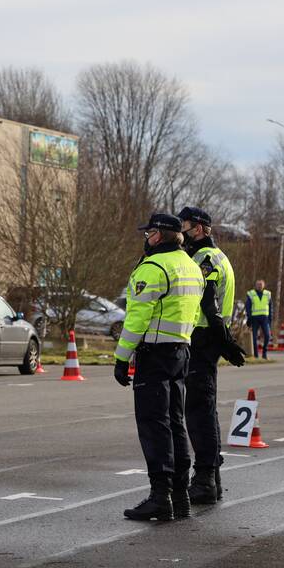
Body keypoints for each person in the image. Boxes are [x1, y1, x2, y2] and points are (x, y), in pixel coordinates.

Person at [113, 213, 204, 522]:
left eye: (149, 232)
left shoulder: (153, 268)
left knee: (154, 424)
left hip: (154, 354)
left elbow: (136, 318)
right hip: (181, 350)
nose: (146, 237)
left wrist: (122, 357)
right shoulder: (191, 266)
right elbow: (193, 314)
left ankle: (159, 496)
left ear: (159, 235)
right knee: (176, 422)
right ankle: (180, 495)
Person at [178, 207, 246, 507]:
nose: (183, 232)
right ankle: (212, 478)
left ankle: (205, 478)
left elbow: (208, 304)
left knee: (198, 411)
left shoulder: (205, 259)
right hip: (208, 337)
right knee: (205, 409)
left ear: (202, 228)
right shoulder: (211, 256)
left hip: (204, 337)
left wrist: (224, 340)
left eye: (187, 227)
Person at [245, 280, 273, 359]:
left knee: (267, 336)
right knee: (254, 337)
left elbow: (271, 307)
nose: (259, 286)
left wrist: (270, 319)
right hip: (254, 318)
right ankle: (256, 355)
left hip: (265, 318)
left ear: (264, 285)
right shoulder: (251, 294)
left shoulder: (268, 294)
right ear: (255, 285)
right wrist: (249, 318)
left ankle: (264, 353)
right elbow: (248, 307)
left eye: (261, 284)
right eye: (258, 284)